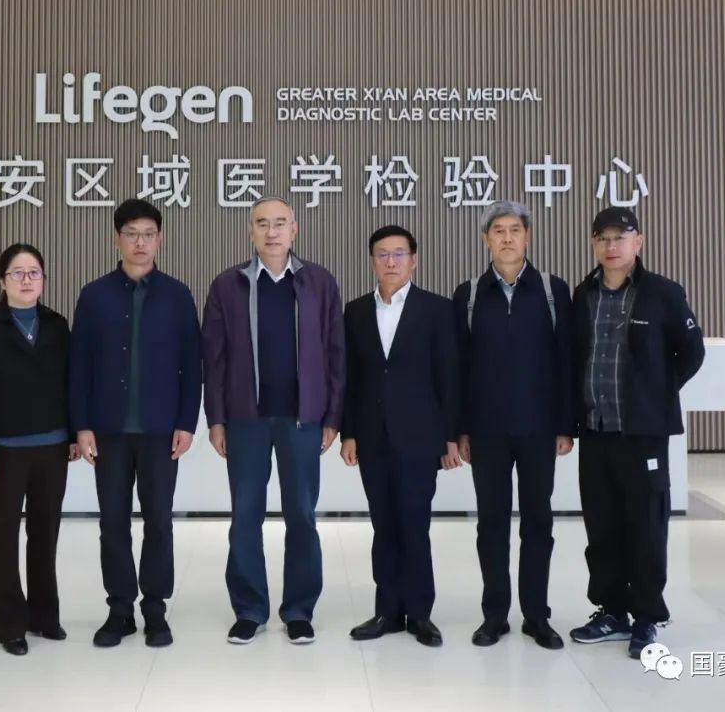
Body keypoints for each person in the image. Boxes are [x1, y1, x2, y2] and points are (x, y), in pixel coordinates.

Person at [201, 196, 344, 645]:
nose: (271, 231)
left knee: (302, 515)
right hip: (246, 419)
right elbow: (214, 359)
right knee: (245, 515)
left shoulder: (318, 282)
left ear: (294, 229)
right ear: (250, 231)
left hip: (303, 420)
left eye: (280, 223)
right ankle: (250, 609)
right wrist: (216, 419)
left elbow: (336, 353)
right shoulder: (228, 285)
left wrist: (332, 416)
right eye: (262, 223)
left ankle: (299, 610)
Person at [568, 206, 704, 659]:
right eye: (603, 238)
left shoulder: (663, 293)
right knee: (602, 525)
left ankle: (647, 615)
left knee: (645, 525)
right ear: (594, 243)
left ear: (638, 242)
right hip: (596, 431)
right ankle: (612, 611)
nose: (612, 246)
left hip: (643, 434)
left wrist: (656, 394)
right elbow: (576, 357)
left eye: (620, 238)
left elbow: (691, 352)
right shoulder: (583, 294)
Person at [70, 199, 202, 649]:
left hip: (161, 430)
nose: (140, 242)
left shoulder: (178, 295)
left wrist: (187, 421)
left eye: (148, 234)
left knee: (159, 520)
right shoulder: (94, 296)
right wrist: (81, 425)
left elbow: (192, 364)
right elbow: (80, 366)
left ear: (159, 239)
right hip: (107, 430)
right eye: (131, 234)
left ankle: (155, 608)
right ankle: (120, 609)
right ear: (117, 239)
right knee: (113, 521)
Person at [451, 200, 574, 651]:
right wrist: (460, 429)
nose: (507, 238)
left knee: (538, 521)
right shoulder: (468, 295)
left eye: (515, 230)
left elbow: (566, 361)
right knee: (492, 523)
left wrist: (565, 424)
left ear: (527, 237)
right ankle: (495, 615)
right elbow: (458, 369)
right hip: (487, 432)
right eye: (498, 230)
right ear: (485, 239)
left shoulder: (551, 291)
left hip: (539, 428)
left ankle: (537, 616)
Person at [341, 225, 460, 648]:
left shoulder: (437, 310)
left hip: (419, 437)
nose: (390, 262)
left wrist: (449, 438)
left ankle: (420, 613)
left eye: (399, 254)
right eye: (382, 254)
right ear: (372, 261)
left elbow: (449, 376)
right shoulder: (355, 311)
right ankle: (387, 611)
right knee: (383, 524)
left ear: (414, 260)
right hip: (372, 437)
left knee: (414, 523)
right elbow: (350, 378)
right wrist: (349, 433)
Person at [0, 243, 77, 656]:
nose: (27, 280)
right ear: (2, 280)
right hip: (4, 451)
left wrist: (72, 435)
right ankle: (9, 624)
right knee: (3, 538)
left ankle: (44, 616)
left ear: (44, 279)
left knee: (45, 535)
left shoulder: (57, 326)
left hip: (52, 448)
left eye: (34, 273)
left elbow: (70, 384)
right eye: (18, 273)